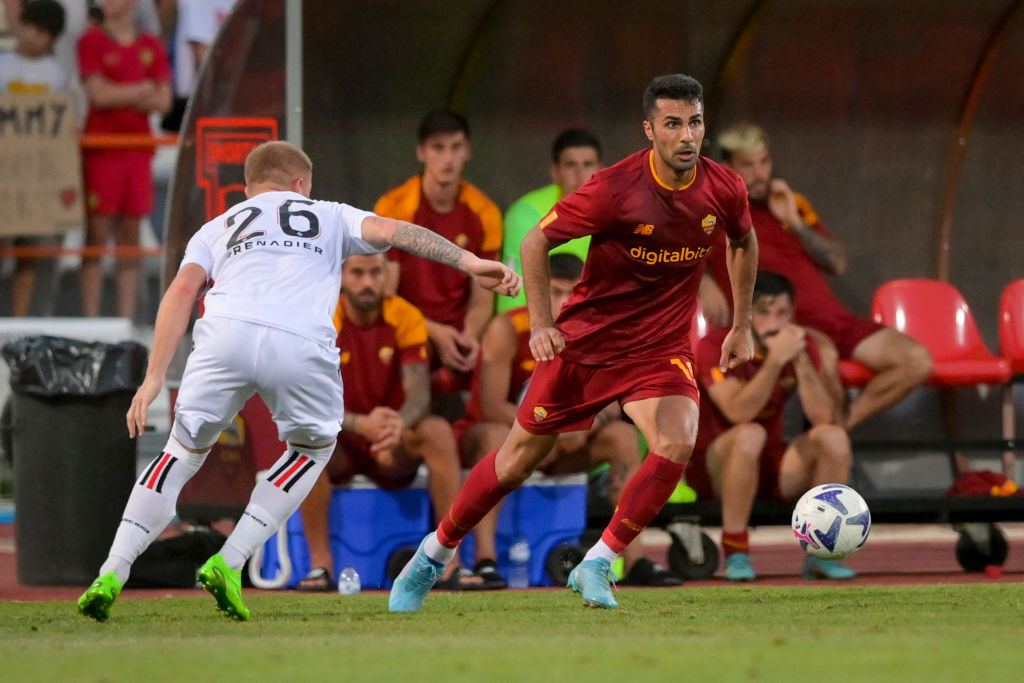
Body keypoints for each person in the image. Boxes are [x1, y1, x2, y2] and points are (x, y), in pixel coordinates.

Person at [77, 140, 519, 622]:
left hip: (226, 333)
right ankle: (230, 560)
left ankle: (112, 570)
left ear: (247, 190)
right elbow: (398, 231)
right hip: (299, 340)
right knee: (311, 450)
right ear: (301, 185)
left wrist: (153, 379)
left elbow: (182, 290)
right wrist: (469, 263)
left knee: (180, 454)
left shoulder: (216, 227)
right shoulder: (328, 214)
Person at [389, 73, 759, 612]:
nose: (686, 136)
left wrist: (742, 323)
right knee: (514, 462)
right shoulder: (615, 189)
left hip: (660, 346)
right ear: (650, 129)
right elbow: (537, 241)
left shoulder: (724, 187)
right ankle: (432, 555)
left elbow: (743, 242)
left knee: (676, 442)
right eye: (673, 124)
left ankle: (597, 562)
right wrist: (542, 324)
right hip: (587, 345)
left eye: (695, 123)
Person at [458, 253, 682, 588]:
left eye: (572, 293)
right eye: (554, 292)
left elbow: (616, 399)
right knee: (492, 437)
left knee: (622, 436)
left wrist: (583, 423)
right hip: (510, 437)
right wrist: (546, 429)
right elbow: (491, 406)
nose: (564, 302)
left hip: (565, 441)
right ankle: (485, 561)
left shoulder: (599, 334)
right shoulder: (507, 328)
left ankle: (635, 560)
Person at [703, 123, 932, 430]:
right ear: (727, 167)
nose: (760, 173)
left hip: (837, 320)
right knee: (822, 356)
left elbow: (837, 262)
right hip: (787, 325)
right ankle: (830, 440)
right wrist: (703, 282)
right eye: (748, 164)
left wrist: (796, 224)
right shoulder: (713, 212)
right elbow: (664, 257)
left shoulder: (789, 203)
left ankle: (839, 428)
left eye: (765, 162)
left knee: (916, 360)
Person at [296, 252, 480, 592]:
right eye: (358, 273)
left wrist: (398, 422)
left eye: (375, 273)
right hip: (342, 441)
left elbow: (420, 395)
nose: (368, 283)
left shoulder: (403, 314)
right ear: (340, 278)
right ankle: (319, 566)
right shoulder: (321, 319)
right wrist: (357, 424)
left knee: (437, 430)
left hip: (392, 444)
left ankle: (450, 563)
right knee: (304, 439)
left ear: (386, 276)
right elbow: (307, 402)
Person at [689, 271, 855, 582]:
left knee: (833, 437)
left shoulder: (797, 347)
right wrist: (776, 363)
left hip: (770, 462)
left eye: (782, 313)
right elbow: (738, 413)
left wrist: (802, 359)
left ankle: (822, 553)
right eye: (764, 313)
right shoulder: (716, 345)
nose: (774, 323)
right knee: (751, 433)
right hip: (714, 467)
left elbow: (824, 418)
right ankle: (736, 553)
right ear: (746, 314)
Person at [374, 110, 503, 401]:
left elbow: (483, 298)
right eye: (438, 148)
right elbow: (387, 293)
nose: (448, 158)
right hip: (412, 329)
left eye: (456, 147)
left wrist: (469, 336)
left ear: (467, 151)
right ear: (421, 152)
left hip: (460, 334)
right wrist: (435, 333)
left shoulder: (485, 213)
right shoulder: (393, 207)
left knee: (498, 343)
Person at [77, 0, 172, 320]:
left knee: (130, 237)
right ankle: (91, 322)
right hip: (102, 151)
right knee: (97, 235)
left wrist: (121, 92)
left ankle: (126, 320)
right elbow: (98, 96)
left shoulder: (151, 45)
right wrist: (142, 89)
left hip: (138, 151)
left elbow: (164, 100)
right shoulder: (90, 40)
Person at [0, 0, 67, 316]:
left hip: (37, 176)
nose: (31, 35)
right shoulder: (3, 66)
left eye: (39, 31)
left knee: (28, 250)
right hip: (5, 172)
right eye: (28, 27)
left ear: (51, 36)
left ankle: (19, 318)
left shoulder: (56, 73)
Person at [497, 128, 602, 313]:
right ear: (555, 171)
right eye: (570, 165)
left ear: (601, 169)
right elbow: (513, 294)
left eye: (588, 164)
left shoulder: (620, 214)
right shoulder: (525, 214)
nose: (580, 174)